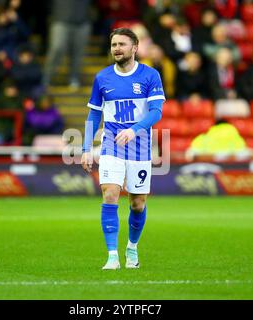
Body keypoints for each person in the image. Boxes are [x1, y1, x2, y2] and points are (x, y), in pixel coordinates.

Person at [80, 28, 165, 270]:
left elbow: (156, 112)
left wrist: (134, 129)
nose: (117, 48)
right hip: (111, 147)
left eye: (122, 44)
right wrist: (87, 148)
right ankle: (112, 256)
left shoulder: (150, 76)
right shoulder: (102, 78)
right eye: (114, 44)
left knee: (137, 203)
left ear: (135, 48)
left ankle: (132, 247)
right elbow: (94, 115)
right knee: (110, 195)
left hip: (140, 148)